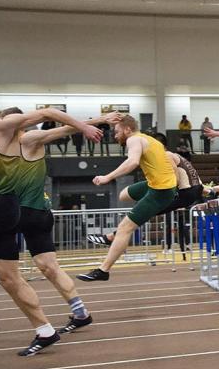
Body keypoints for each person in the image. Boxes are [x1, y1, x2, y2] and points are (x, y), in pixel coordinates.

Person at [0, 107, 104, 355]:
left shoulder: (26, 137)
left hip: (27, 210)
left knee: (20, 274)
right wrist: (96, 121)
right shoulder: (14, 138)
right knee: (45, 268)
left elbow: (55, 120)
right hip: (22, 209)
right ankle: (79, 313)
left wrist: (91, 124)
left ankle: (49, 327)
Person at [77, 115, 179, 282]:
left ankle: (104, 269)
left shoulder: (134, 140)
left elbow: (132, 162)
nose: (115, 136)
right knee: (123, 195)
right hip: (160, 185)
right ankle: (116, 235)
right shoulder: (151, 140)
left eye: (117, 132)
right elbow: (170, 164)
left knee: (125, 227)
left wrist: (107, 177)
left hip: (160, 191)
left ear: (127, 129)